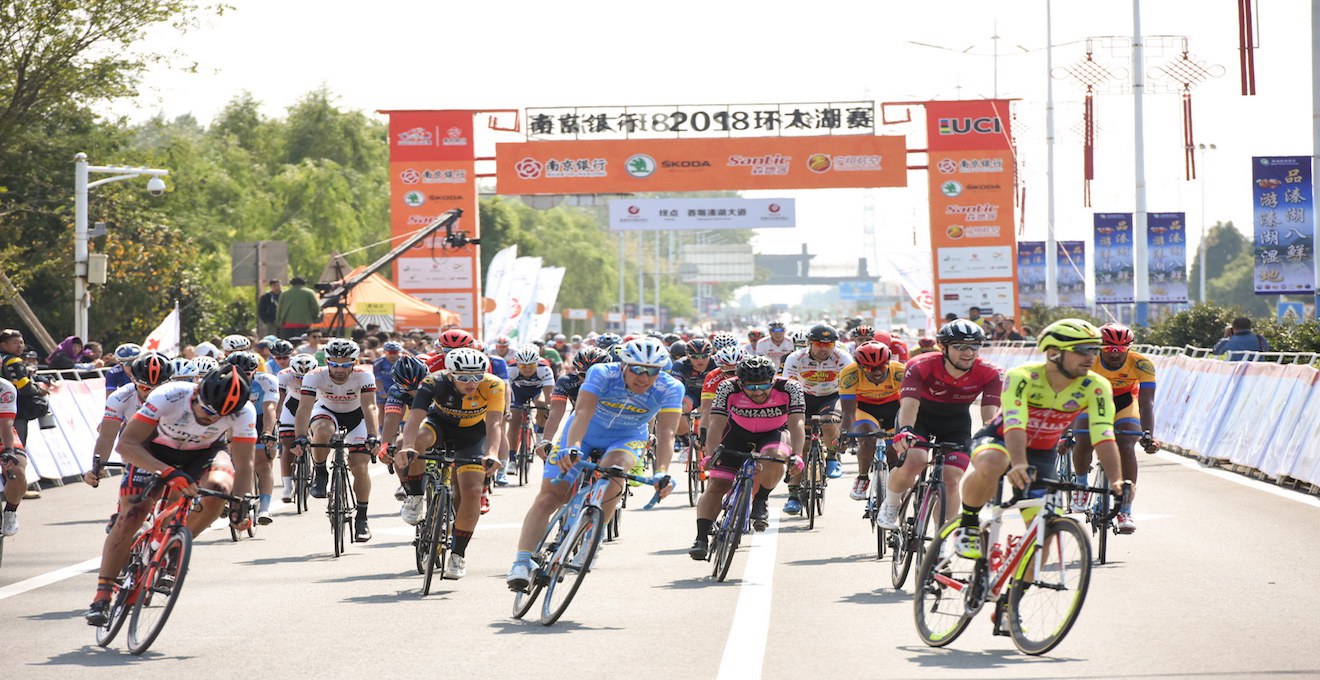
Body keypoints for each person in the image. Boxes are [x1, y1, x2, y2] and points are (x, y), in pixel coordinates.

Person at [84, 365, 255, 626]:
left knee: (219, 490)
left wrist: (240, 506)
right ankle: (102, 596)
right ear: (197, 393)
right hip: (153, 451)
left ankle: (175, 545)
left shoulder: (244, 412)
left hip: (203, 454)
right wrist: (167, 472)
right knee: (132, 515)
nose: (212, 419)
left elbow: (244, 464)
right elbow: (126, 445)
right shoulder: (171, 395)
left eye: (222, 416)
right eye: (209, 411)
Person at [505, 337, 681, 591]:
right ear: (623, 365)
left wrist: (662, 472)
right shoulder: (602, 373)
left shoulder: (670, 387)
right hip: (584, 433)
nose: (644, 377)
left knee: (615, 472)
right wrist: (573, 447)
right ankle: (521, 562)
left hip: (627, 437)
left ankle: (593, 538)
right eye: (637, 369)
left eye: (652, 371)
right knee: (549, 497)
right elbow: (583, 413)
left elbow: (667, 433)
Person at [952, 319, 1128, 559]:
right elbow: (1015, 422)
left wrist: (1117, 480)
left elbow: (1103, 434)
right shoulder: (1022, 376)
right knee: (994, 462)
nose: (1091, 357)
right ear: (1054, 352)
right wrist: (1019, 463)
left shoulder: (1096, 386)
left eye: (1094, 350)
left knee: (1044, 536)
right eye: (1082, 350)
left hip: (1042, 454)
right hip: (1000, 439)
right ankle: (969, 523)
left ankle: (1017, 582)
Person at [876, 319, 1003, 530]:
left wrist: (992, 440)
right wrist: (905, 430)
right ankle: (891, 503)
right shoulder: (920, 364)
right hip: (919, 418)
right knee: (915, 461)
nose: (968, 352)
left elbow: (990, 414)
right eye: (959, 346)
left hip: (956, 423)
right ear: (943, 347)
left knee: (952, 479)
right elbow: (909, 404)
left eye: (974, 346)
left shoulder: (991, 372)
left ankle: (941, 536)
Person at [394, 348, 505, 579]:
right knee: (416, 441)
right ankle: (415, 497)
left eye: (477, 376)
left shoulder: (494, 385)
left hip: (473, 435)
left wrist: (492, 454)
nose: (471, 383)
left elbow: (494, 423)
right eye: (463, 377)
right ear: (450, 374)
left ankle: (457, 554)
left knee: (472, 491)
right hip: (439, 425)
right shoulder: (433, 382)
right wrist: (408, 446)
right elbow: (415, 416)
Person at [690, 355, 804, 559]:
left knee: (775, 456)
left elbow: (797, 424)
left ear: (773, 380)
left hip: (773, 433)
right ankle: (701, 538)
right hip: (736, 434)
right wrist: (711, 453)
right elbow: (716, 423)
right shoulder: (727, 387)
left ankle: (761, 499)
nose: (758, 392)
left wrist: (797, 455)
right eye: (751, 387)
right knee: (717, 485)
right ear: (740, 383)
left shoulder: (790, 388)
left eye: (764, 386)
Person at [1070, 323, 1159, 532]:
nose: (1116, 353)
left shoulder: (1142, 364)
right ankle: (1081, 485)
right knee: (1083, 438)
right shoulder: (1088, 361)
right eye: (1109, 348)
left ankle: (1125, 509)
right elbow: (1073, 396)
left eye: (1122, 348)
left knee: (1126, 445)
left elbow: (1147, 403)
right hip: (1092, 400)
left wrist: (1148, 435)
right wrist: (1067, 431)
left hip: (1125, 401)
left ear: (1129, 348)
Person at [293, 338, 380, 542]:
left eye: (345, 364)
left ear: (355, 362)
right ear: (326, 361)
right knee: (323, 430)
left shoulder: (364, 375)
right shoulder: (314, 376)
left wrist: (373, 435)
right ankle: (320, 472)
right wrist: (300, 437)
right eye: (334, 364)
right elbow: (304, 408)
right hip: (326, 411)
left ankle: (362, 518)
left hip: (357, 417)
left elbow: (370, 406)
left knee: (360, 467)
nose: (339, 369)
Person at [780, 323, 853, 507]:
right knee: (801, 445)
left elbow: (851, 386)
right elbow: (788, 387)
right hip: (803, 396)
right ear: (809, 343)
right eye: (819, 344)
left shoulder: (843, 358)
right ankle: (793, 495)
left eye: (829, 345)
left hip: (831, 396)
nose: (824, 349)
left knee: (829, 422)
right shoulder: (795, 358)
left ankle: (832, 456)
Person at [838, 342, 904, 505]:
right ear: (859, 367)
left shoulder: (900, 372)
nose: (877, 372)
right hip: (865, 409)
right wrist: (845, 433)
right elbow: (848, 412)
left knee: (893, 452)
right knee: (867, 441)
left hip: (893, 408)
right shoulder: (849, 374)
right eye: (869, 368)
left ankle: (894, 492)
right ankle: (862, 477)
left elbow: (910, 404)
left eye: (881, 367)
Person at [502, 346, 554, 486]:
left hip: (537, 391)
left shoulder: (545, 369)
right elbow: (506, 391)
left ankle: (539, 434)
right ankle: (512, 460)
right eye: (523, 366)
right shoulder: (511, 369)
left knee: (542, 404)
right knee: (514, 421)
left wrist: (548, 408)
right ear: (517, 364)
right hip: (517, 393)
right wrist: (507, 408)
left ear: (537, 363)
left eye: (530, 366)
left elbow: (549, 394)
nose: (526, 369)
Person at [0, 376, 27, 536]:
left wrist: (8, 450)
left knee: (16, 469)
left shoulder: (4, 387)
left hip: (1, 432)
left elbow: (6, 424)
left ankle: (10, 511)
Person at [274, 276, 321, 340]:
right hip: (304, 323)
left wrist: (279, 323)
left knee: (287, 344)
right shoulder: (309, 293)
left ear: (291, 284)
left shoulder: (284, 294)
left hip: (287, 324)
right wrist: (312, 317)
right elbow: (316, 308)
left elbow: (279, 310)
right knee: (302, 343)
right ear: (304, 283)